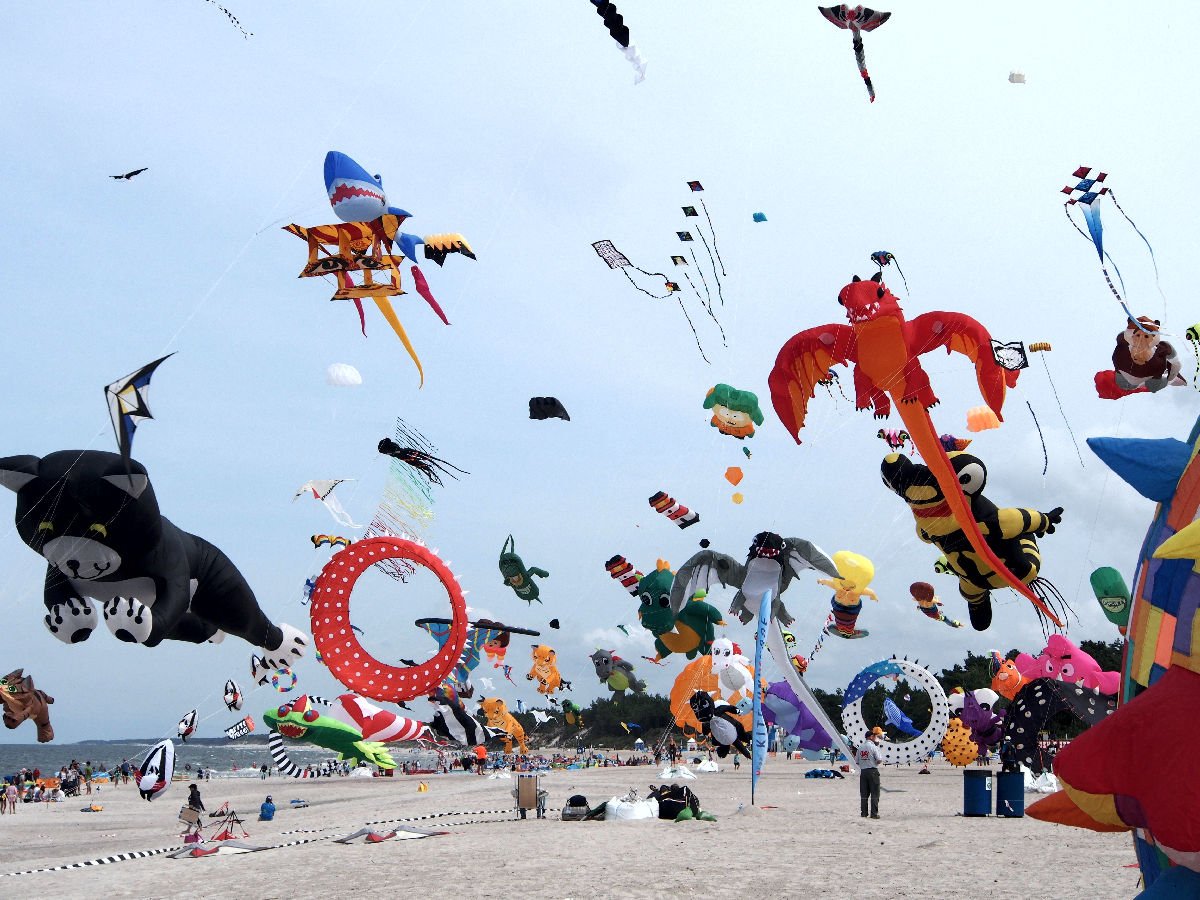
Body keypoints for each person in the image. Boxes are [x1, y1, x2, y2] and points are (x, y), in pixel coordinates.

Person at [856, 726, 884, 819]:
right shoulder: (873, 747)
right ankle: (874, 814)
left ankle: (864, 813)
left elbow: (857, 761)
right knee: (875, 793)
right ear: (871, 737)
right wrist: (874, 762)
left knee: (864, 794)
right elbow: (879, 760)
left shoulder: (860, 747)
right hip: (873, 771)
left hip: (863, 772)